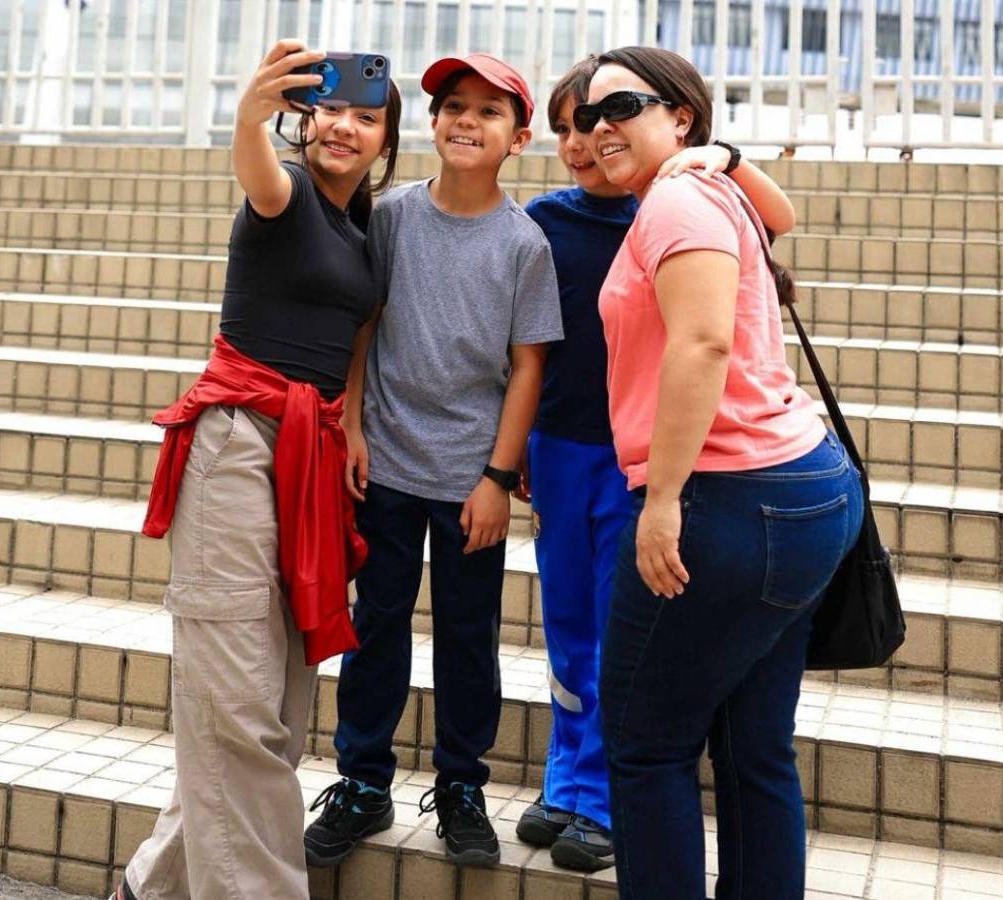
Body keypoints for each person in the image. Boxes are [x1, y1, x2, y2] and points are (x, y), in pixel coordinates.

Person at [113, 39, 400, 900]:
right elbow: (255, 168)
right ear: (304, 120)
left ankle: (148, 888)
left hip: (308, 461)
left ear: (387, 137)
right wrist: (249, 109)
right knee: (237, 711)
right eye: (330, 111)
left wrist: (349, 419)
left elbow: (359, 335)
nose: (345, 126)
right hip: (237, 449)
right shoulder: (284, 197)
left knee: (270, 709)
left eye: (367, 116)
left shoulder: (363, 230)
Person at [586, 47, 864, 900]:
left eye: (622, 106)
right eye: (590, 116)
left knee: (644, 745)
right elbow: (784, 215)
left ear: (680, 115)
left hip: (730, 499)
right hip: (804, 489)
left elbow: (701, 344)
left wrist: (663, 498)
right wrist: (728, 156)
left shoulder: (676, 199)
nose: (601, 129)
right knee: (754, 748)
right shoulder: (709, 188)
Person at [514, 57, 798, 874]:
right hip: (563, 450)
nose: (585, 140)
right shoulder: (543, 220)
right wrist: (520, 451)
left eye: (604, 118)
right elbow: (525, 349)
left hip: (642, 459)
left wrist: (724, 155)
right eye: (570, 125)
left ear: (671, 119)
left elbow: (776, 225)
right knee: (567, 622)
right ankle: (567, 776)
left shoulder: (671, 201)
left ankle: (602, 795)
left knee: (618, 628)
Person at [303, 53, 562, 870]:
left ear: (518, 139)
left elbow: (528, 365)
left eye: (490, 112)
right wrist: (350, 426)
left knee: (466, 636)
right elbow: (363, 325)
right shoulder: (394, 219)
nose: (466, 121)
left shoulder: (525, 244)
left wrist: (496, 477)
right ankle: (363, 781)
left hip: (467, 484)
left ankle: (460, 786)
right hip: (383, 464)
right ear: (433, 120)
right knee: (375, 626)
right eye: (455, 105)